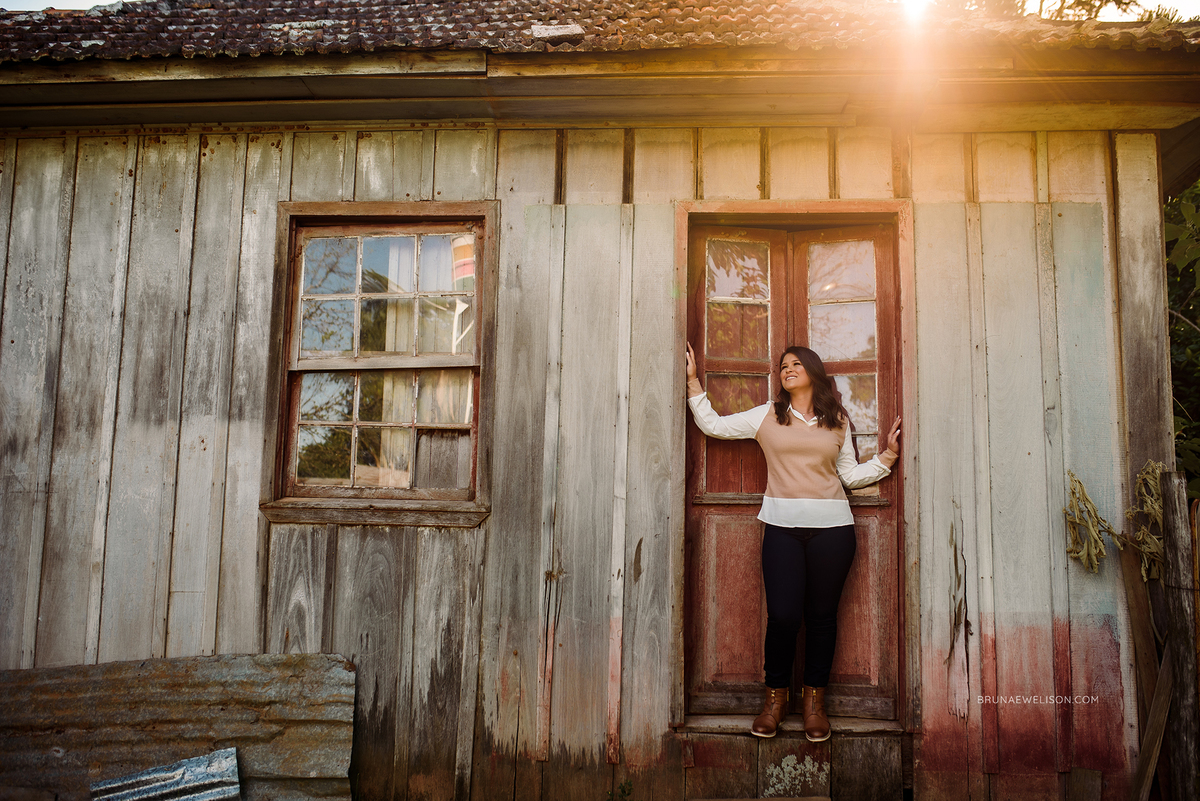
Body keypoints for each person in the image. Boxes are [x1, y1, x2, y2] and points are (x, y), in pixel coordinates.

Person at [685, 343, 901, 741]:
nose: (788, 370)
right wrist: (693, 383)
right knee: (783, 618)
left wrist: (886, 458)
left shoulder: (837, 420)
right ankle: (775, 700)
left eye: (796, 364)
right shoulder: (767, 415)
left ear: (813, 372)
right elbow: (713, 425)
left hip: (834, 530)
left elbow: (848, 476)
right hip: (782, 529)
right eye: (783, 366)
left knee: (821, 619)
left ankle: (814, 703)